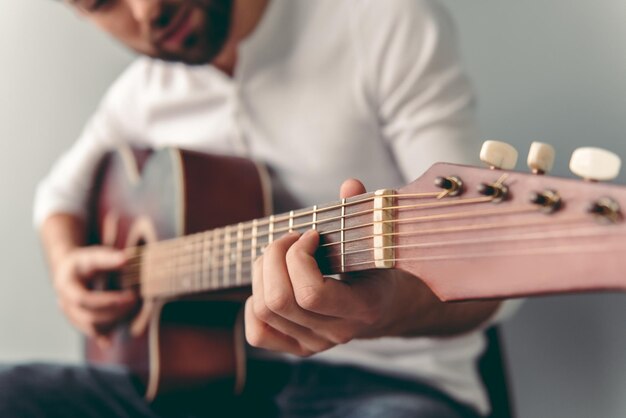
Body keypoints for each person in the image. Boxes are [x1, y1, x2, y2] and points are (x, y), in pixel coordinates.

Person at [0, 0, 517, 416]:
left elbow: (483, 262)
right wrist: (67, 267)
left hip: (387, 382)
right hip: (194, 387)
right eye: (103, 2)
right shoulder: (138, 97)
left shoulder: (380, 22)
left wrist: (378, 309)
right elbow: (57, 196)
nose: (147, 9)